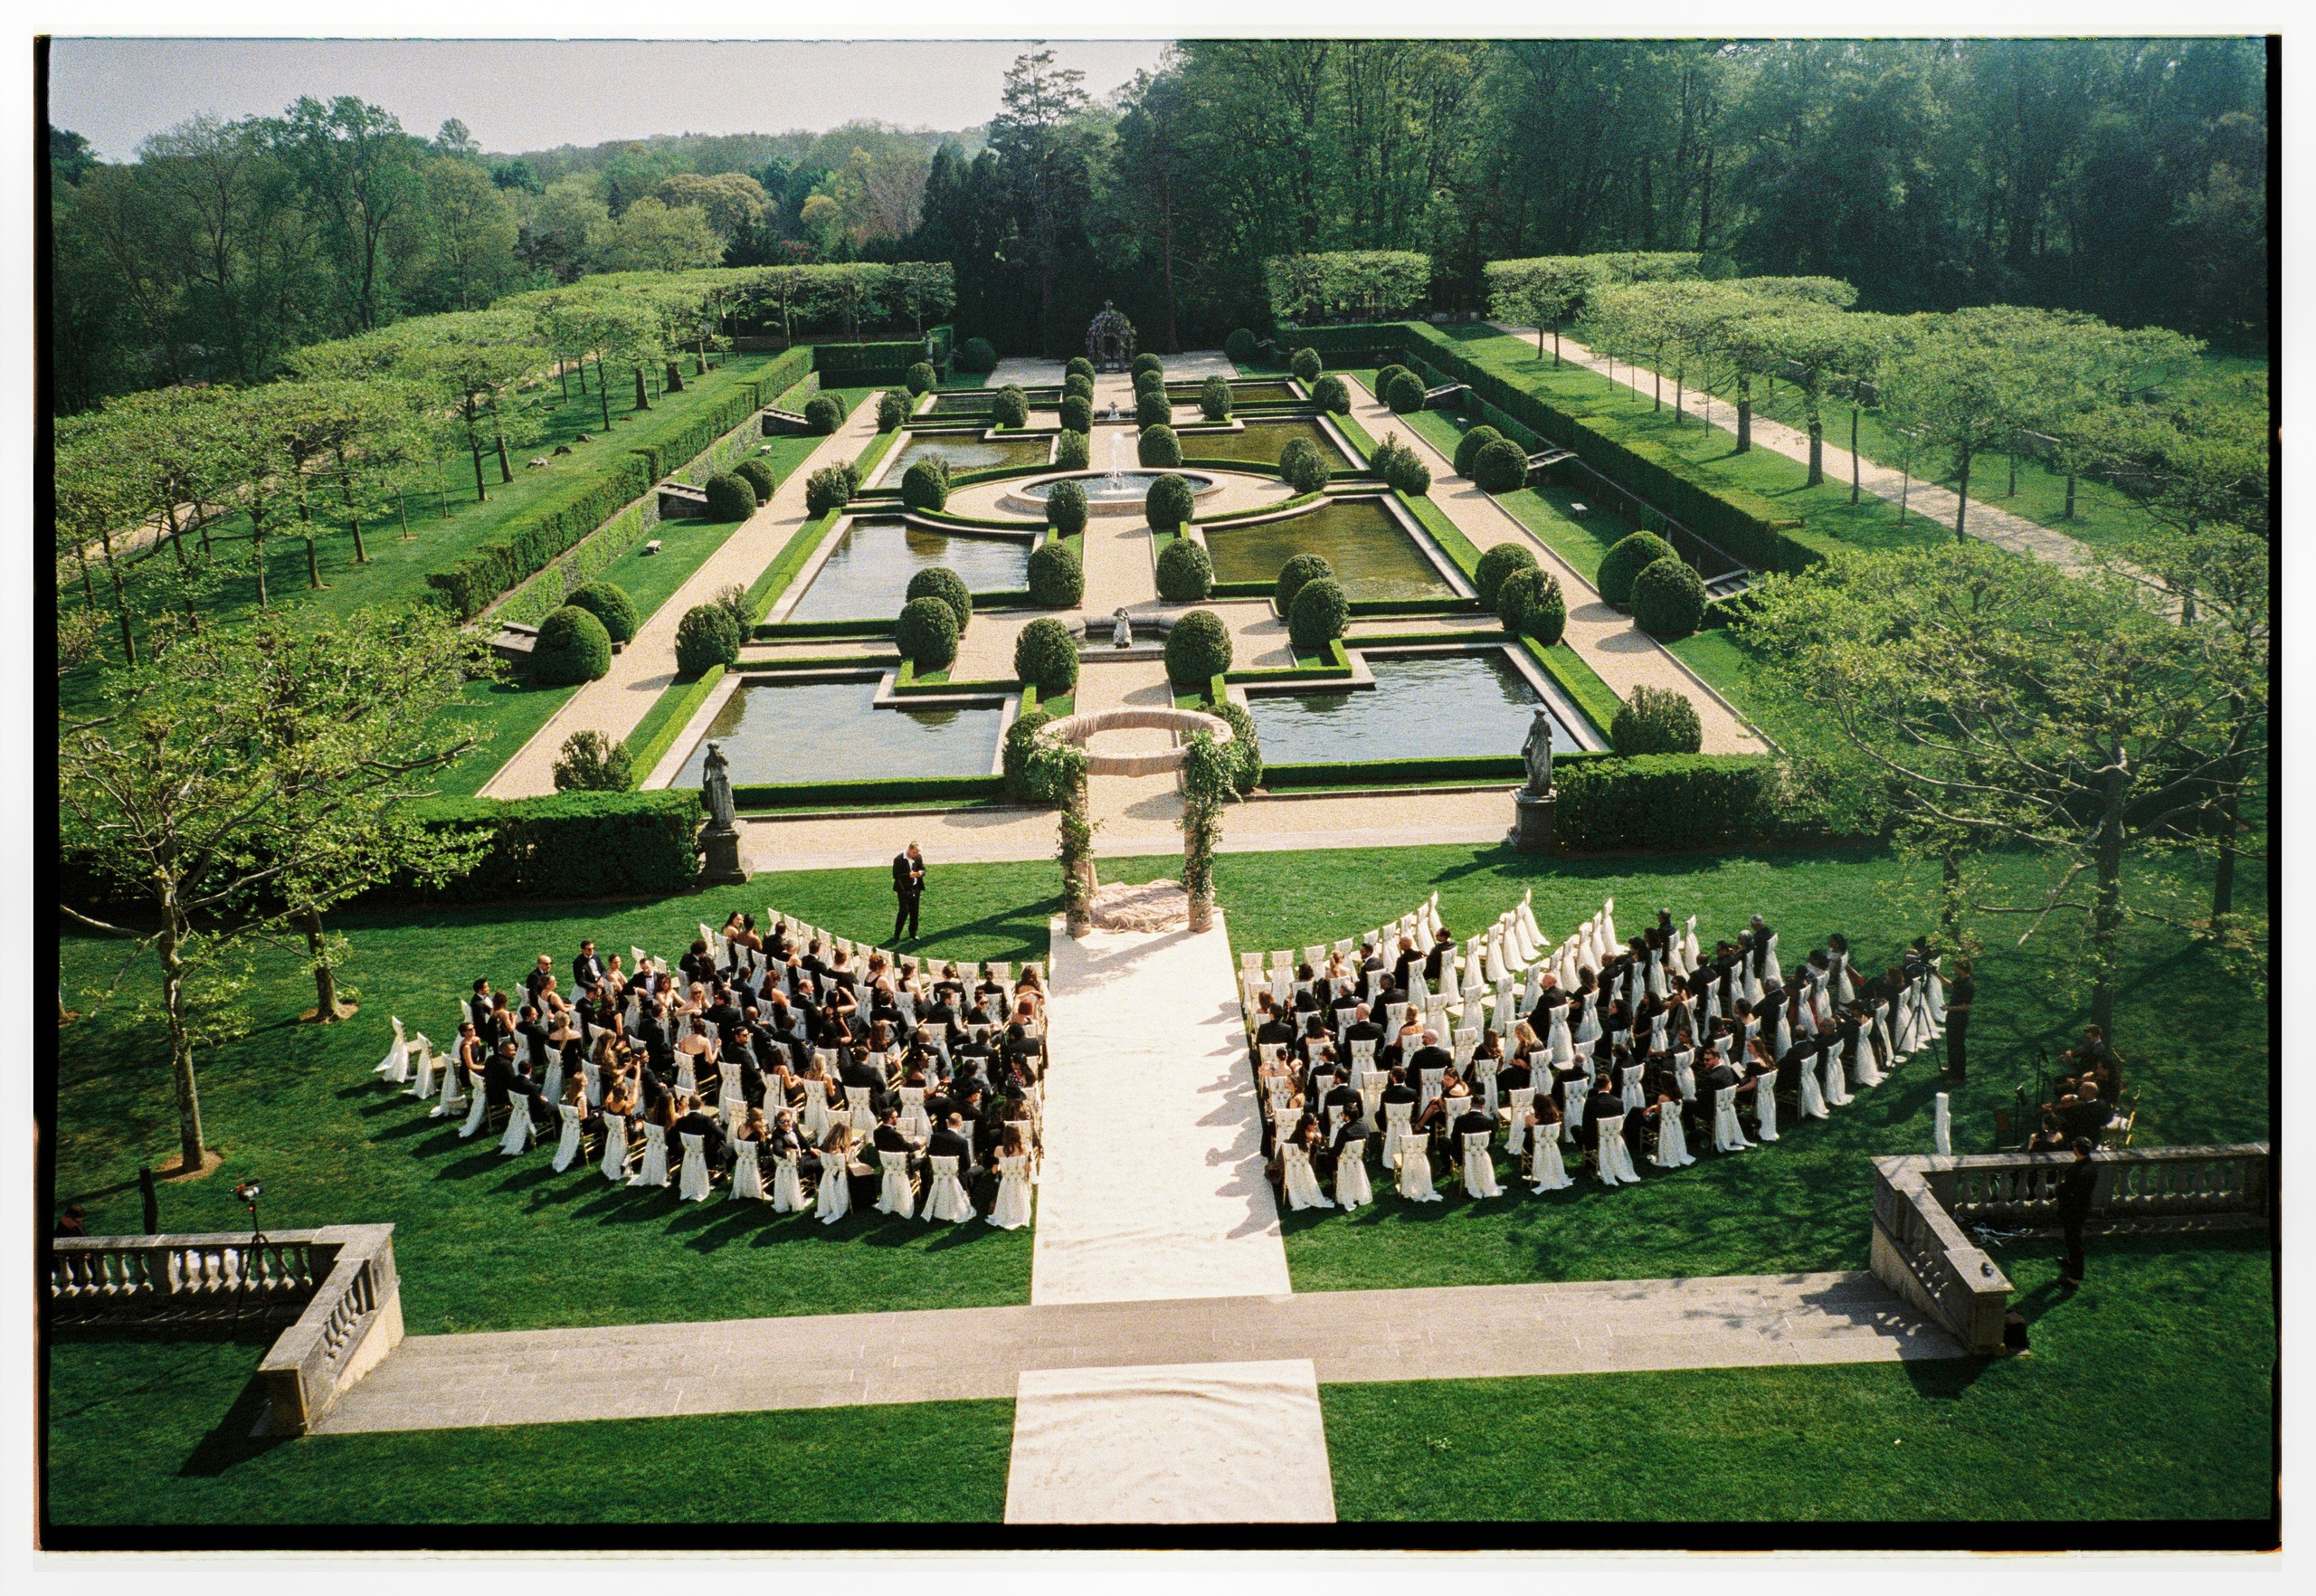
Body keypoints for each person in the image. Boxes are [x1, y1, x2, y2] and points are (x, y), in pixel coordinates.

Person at [2056, 1137, 2099, 1286]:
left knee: (2074, 1241)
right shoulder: (2090, 1164)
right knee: (2071, 1238)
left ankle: (2074, 1278)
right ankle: (2071, 1261)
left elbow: (2067, 1190)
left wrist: (2059, 1188)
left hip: (2074, 1209)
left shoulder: (2080, 1172)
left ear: (2076, 1150)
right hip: (2081, 1207)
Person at [1941, 959, 1974, 1081]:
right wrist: (1937, 975)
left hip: (1959, 1019)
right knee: (1951, 1044)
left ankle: (1959, 1076)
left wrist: (1948, 1008)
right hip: (1952, 1017)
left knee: (1958, 1047)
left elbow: (1965, 1006)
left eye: (1956, 967)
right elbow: (1951, 986)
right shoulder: (1961, 980)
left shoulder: (1968, 985)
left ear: (1961, 969)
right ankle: (1952, 1069)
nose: (1954, 969)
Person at [891, 841, 926, 942]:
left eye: (916, 853)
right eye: (913, 853)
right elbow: (895, 875)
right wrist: (908, 875)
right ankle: (897, 935)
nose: (915, 855)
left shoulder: (918, 857)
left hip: (915, 888)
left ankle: (913, 934)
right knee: (903, 912)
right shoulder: (899, 859)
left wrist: (921, 873)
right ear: (909, 849)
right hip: (903, 890)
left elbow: (923, 869)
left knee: (915, 913)